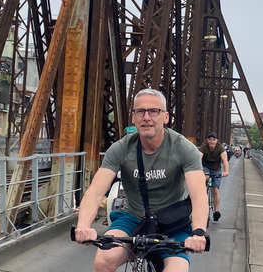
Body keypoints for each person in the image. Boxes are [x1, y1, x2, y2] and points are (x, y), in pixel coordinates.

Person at [74, 89, 209, 272]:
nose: (146, 117)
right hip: (133, 217)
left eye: (154, 111)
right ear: (133, 118)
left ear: (166, 117)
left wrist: (199, 233)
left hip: (172, 223)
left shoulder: (184, 148)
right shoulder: (120, 149)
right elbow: (96, 192)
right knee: (103, 261)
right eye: (140, 111)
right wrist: (83, 226)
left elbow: (199, 195)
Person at [199, 132, 229, 222]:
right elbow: (198, 158)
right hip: (205, 167)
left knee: (216, 190)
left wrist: (226, 171)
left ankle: (216, 211)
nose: (212, 141)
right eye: (210, 139)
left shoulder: (220, 148)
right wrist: (197, 169)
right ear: (207, 140)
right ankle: (203, 198)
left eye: (213, 140)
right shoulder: (203, 147)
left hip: (216, 169)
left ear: (217, 141)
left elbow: (224, 160)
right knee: (206, 178)